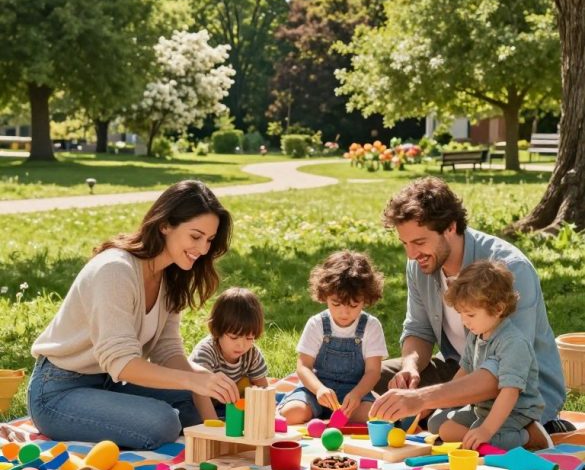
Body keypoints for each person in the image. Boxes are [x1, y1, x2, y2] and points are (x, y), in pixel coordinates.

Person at [28, 180, 240, 449]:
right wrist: (194, 380)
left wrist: (214, 426)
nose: (203, 249)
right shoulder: (115, 270)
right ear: (165, 225)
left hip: (107, 384)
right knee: (162, 422)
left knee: (196, 398)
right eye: (195, 236)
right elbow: (122, 362)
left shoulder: (170, 276)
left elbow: (167, 351)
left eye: (209, 240)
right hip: (58, 391)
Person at [370, 177, 570, 436]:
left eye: (419, 242)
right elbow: (419, 330)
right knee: (366, 375)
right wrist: (410, 367)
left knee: (442, 424)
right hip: (461, 368)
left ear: (450, 227)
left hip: (519, 388)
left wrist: (423, 398)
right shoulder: (419, 265)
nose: (411, 254)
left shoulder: (510, 268)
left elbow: (504, 370)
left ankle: (537, 429)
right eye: (405, 244)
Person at [429, 260, 550, 450]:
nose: (464, 321)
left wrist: (486, 430)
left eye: (470, 315)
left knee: (479, 439)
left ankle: (530, 436)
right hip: (483, 407)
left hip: (515, 412)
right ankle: (485, 430)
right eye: (461, 314)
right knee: (437, 425)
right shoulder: (476, 334)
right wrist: (443, 400)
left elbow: (510, 393)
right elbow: (465, 371)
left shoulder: (513, 343)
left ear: (499, 308)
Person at [278, 249, 387, 423]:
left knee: (376, 417)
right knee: (292, 413)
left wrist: (357, 394)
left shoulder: (371, 326)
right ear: (325, 295)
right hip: (315, 391)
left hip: (353, 394)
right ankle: (307, 408)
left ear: (365, 298)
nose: (344, 312)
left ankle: (330, 417)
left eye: (353, 305)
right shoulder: (317, 324)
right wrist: (319, 389)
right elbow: (303, 366)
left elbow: (373, 372)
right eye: (336, 304)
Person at [189, 286, 268, 419]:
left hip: (223, 404)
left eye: (249, 338)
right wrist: (212, 426)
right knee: (188, 417)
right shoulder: (206, 352)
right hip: (195, 400)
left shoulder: (251, 354)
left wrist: (266, 413)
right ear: (217, 330)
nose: (241, 345)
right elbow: (198, 393)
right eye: (234, 337)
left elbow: (263, 388)